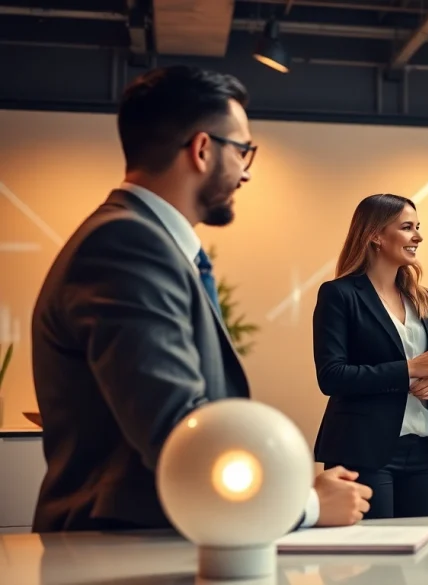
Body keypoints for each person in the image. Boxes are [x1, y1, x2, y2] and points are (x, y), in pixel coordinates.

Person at [30, 65, 371, 532]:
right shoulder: (128, 244)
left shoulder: (141, 240)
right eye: (244, 151)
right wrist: (305, 506)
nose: (246, 174)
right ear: (203, 148)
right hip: (121, 550)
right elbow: (179, 433)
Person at [311, 194, 428, 519]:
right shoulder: (339, 294)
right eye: (407, 227)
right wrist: (407, 370)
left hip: (424, 449)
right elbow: (331, 375)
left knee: (423, 562)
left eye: (418, 228)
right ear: (376, 234)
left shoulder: (420, 297)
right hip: (363, 450)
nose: (418, 236)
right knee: (373, 563)